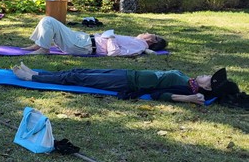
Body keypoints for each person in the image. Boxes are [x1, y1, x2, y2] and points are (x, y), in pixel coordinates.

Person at [12, 62, 240, 105]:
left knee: (77, 78)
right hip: (128, 73)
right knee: (80, 71)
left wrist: (189, 98)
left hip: (125, 82)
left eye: (208, 78)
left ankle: (31, 78)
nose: (205, 75)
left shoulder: (187, 88)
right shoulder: (188, 80)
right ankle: (38, 73)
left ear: (207, 87)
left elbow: (161, 95)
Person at [22, 16, 167, 56]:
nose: (145, 32)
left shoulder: (138, 45)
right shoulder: (137, 42)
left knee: (48, 21)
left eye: (149, 33)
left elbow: (114, 53)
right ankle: (40, 44)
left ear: (152, 39)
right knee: (47, 20)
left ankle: (44, 48)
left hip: (83, 45)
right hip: (82, 40)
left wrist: (110, 37)